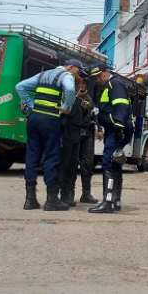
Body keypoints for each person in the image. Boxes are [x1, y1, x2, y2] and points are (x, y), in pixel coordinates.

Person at [15, 59, 81, 211]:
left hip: (34, 119)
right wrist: (66, 107)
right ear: (71, 67)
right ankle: (51, 200)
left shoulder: (43, 74)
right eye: (77, 70)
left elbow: (20, 87)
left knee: (32, 156)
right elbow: (70, 91)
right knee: (51, 157)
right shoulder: (66, 75)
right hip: (50, 120)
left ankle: (30, 200)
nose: (77, 74)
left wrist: (32, 105)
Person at [87, 64, 132, 214]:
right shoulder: (108, 86)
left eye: (99, 76)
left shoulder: (115, 83)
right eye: (96, 77)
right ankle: (115, 201)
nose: (98, 79)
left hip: (115, 130)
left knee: (109, 165)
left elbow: (121, 107)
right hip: (113, 130)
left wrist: (118, 126)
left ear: (106, 73)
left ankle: (108, 202)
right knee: (115, 164)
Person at [58, 73, 97, 207]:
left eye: (84, 84)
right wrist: (76, 99)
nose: (82, 86)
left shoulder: (88, 98)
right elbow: (64, 112)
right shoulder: (69, 96)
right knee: (70, 164)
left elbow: (92, 111)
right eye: (80, 84)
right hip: (72, 132)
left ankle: (86, 193)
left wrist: (99, 127)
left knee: (88, 163)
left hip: (86, 132)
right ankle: (68, 194)